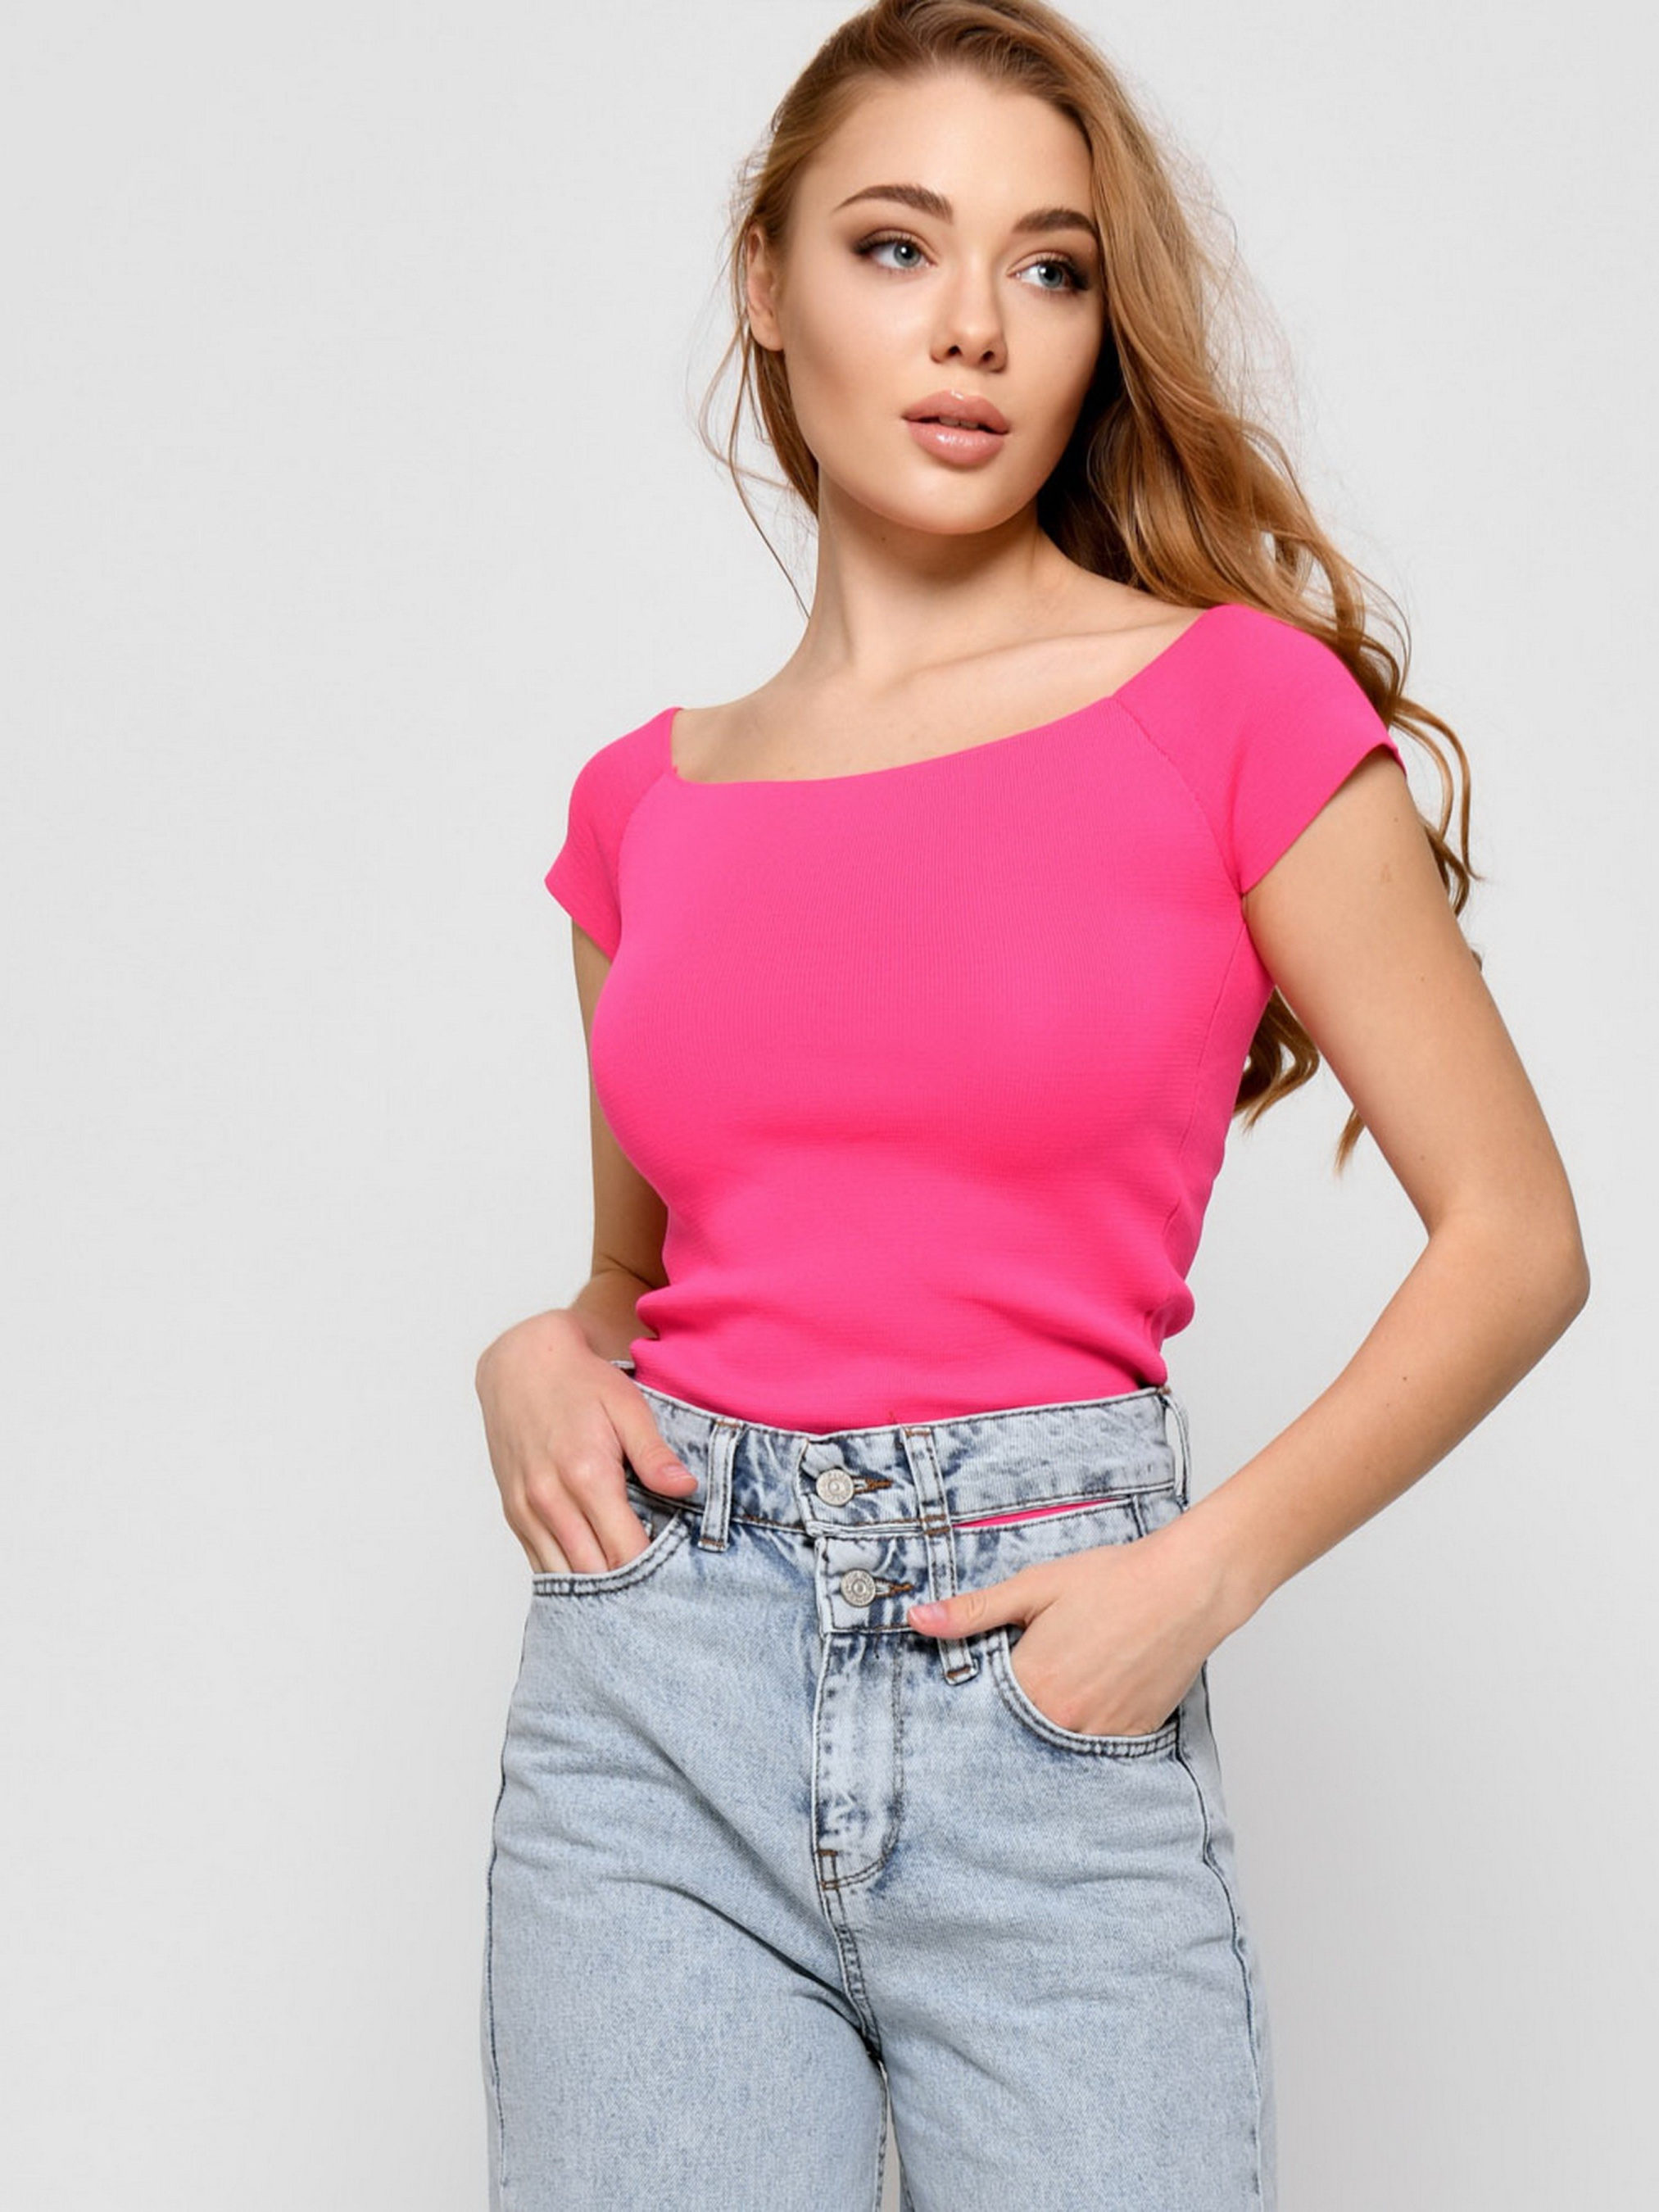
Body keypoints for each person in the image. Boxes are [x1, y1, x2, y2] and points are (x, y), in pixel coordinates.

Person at [473, 4, 1590, 2207]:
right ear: (765, 282)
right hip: (651, 1711)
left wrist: (1197, 1577)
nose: (974, 326)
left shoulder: (1230, 705)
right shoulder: (639, 806)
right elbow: (640, 1281)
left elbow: (1517, 1237)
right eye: (896, 246)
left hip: (1043, 1681)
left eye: (1049, 266)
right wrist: (536, 1352)